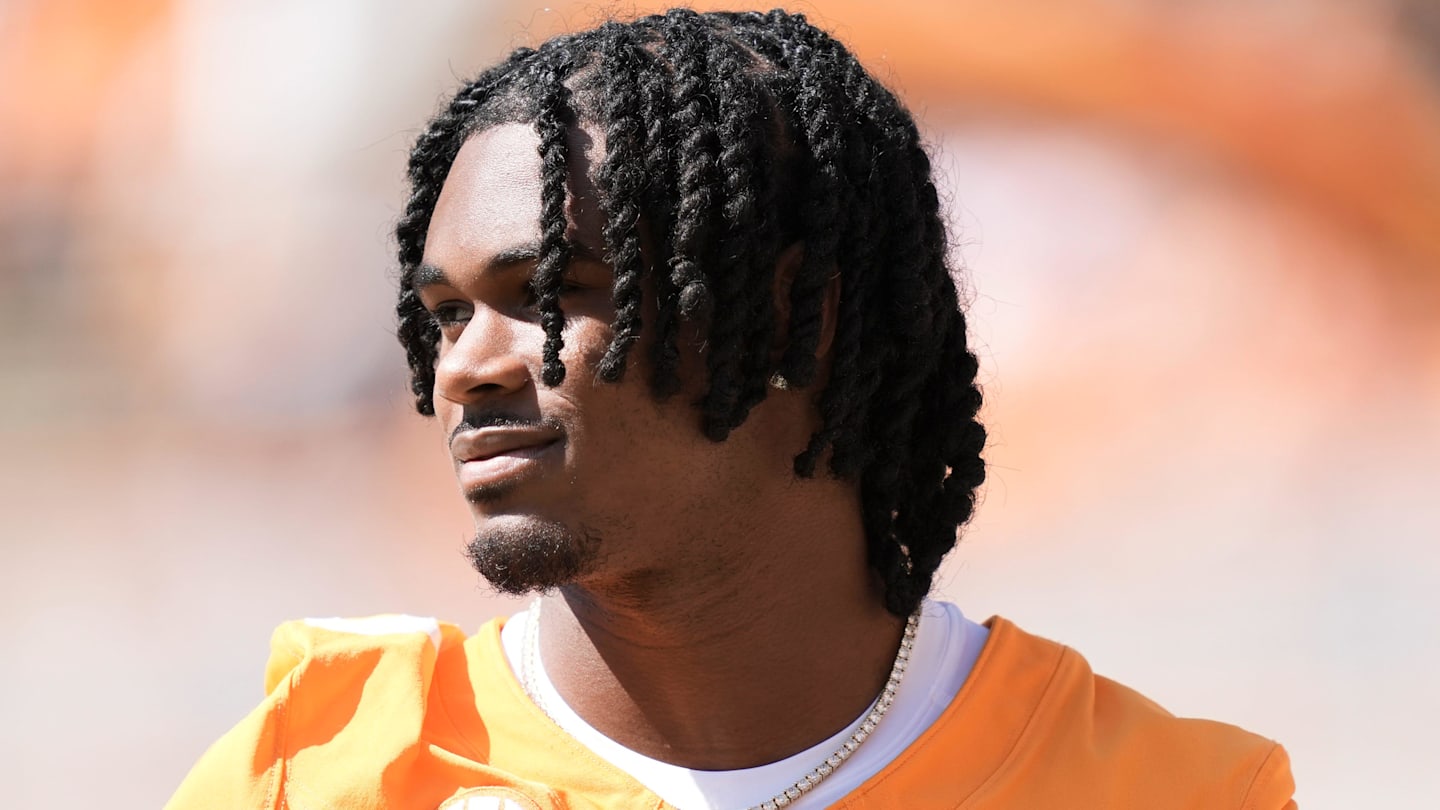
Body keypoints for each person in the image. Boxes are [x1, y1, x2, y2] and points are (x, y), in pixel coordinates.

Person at [168, 9, 1297, 809]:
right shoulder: (315, 776)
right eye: (448, 314)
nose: (466, 368)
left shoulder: (1163, 791)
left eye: (550, 294)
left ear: (798, 316)